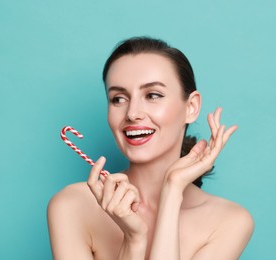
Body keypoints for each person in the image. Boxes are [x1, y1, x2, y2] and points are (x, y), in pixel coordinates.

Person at [47, 36, 254, 259]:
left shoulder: (230, 221)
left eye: (152, 95)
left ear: (191, 107)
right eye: (118, 99)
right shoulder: (72, 206)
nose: (132, 113)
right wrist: (134, 240)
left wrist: (172, 192)